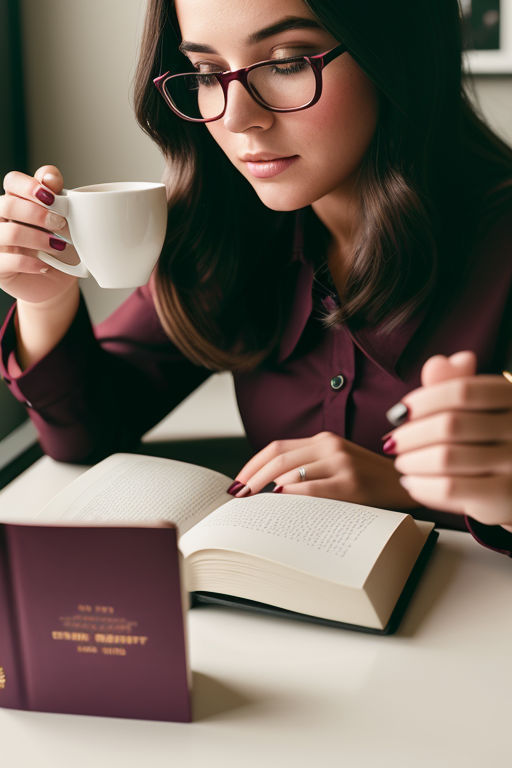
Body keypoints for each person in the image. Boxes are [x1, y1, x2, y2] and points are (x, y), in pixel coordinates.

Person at [0, 0, 511, 554]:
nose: (237, 116)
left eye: (287, 62)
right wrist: (47, 297)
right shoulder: (228, 231)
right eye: (205, 74)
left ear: (395, 54)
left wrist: (412, 490)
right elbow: (85, 431)